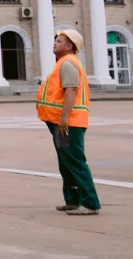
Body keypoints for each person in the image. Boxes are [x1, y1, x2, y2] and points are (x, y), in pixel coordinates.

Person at [37, 28, 100, 214]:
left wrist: (64, 119)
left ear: (69, 46)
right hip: (62, 122)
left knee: (75, 162)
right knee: (66, 163)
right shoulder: (63, 63)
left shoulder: (68, 64)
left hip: (69, 123)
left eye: (59, 41)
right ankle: (73, 200)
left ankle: (90, 203)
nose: (54, 43)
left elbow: (71, 91)